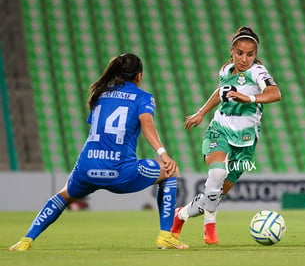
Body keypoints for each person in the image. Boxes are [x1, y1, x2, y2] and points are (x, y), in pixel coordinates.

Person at [9, 53, 188, 251]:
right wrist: (163, 153)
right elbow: (147, 125)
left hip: (88, 167)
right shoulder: (143, 97)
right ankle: (165, 236)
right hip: (120, 170)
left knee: (63, 196)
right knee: (170, 171)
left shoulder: (100, 94)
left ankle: (26, 240)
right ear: (139, 76)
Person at [170, 27, 282, 244]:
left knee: (213, 196)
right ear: (232, 51)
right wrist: (201, 113)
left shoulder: (258, 72)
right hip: (219, 130)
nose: (244, 59)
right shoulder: (226, 70)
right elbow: (220, 92)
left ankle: (180, 215)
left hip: (246, 143)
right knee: (218, 173)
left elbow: (275, 93)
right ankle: (210, 225)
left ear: (255, 54)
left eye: (250, 54)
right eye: (240, 53)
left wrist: (248, 99)